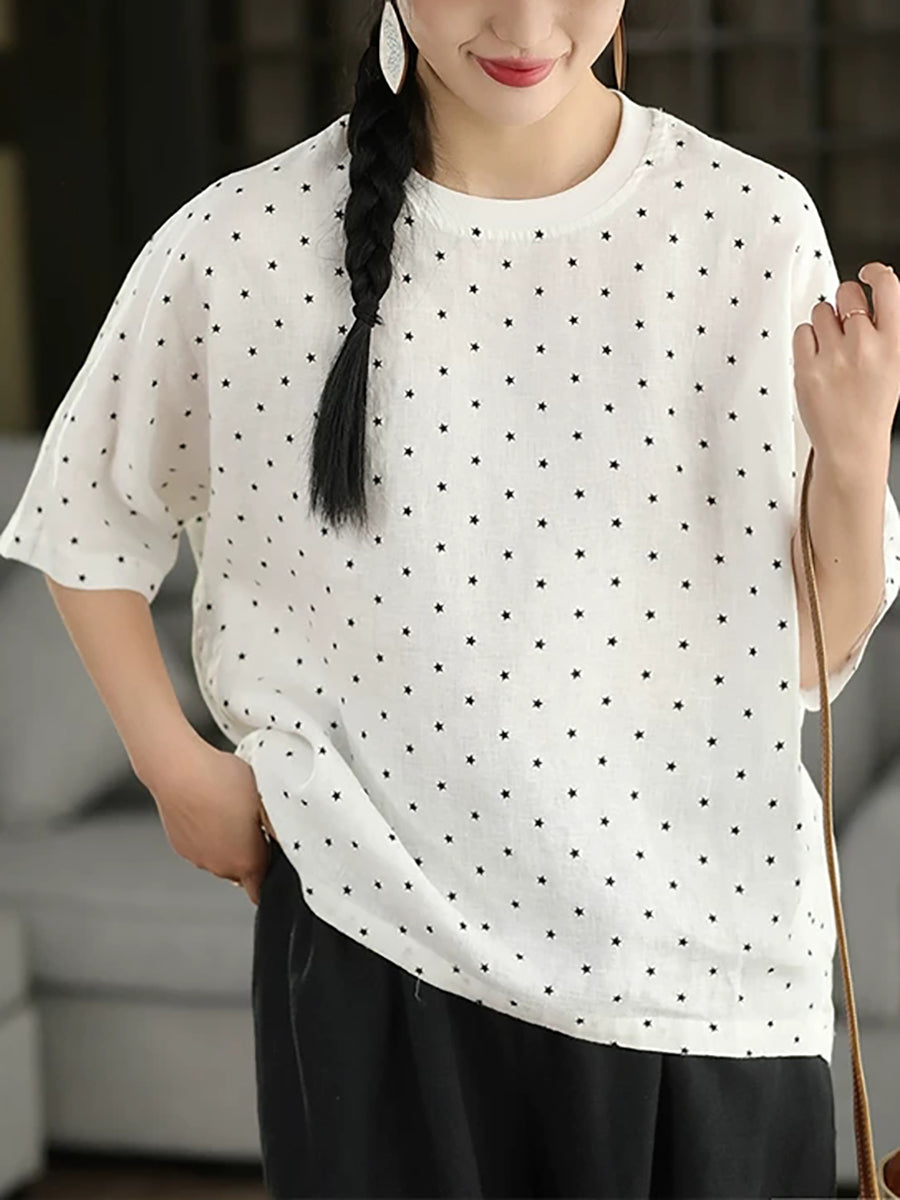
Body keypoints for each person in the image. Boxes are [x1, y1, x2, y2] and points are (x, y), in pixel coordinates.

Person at [3, 1, 900, 1196]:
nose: (525, 24)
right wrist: (177, 773)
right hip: (374, 945)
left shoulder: (748, 225)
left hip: (706, 975)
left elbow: (810, 654)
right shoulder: (240, 242)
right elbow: (84, 519)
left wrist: (856, 458)